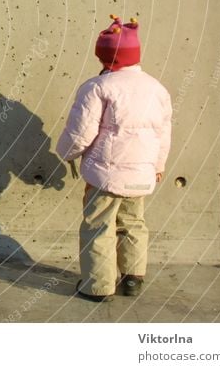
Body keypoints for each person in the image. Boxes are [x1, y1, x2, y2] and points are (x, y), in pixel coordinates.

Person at [55, 15, 172, 301]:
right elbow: (163, 132)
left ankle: (97, 287)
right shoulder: (156, 88)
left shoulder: (97, 87)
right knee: (133, 222)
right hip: (141, 175)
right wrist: (158, 165)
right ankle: (133, 278)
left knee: (99, 226)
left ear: (104, 56)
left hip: (105, 176)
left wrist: (66, 154)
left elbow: (81, 133)